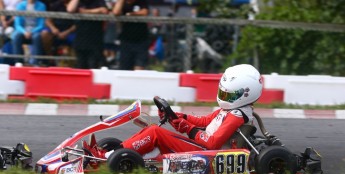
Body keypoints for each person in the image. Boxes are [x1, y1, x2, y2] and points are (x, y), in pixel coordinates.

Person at [83, 64, 263, 158]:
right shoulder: (230, 110)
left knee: (155, 132)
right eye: (223, 92)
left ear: (246, 94)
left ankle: (108, 156)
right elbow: (204, 122)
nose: (224, 97)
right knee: (151, 129)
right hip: (201, 146)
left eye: (229, 94)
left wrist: (186, 128)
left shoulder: (237, 115)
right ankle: (115, 151)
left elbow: (213, 143)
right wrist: (178, 117)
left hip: (208, 153)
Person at [67, 0, 108, 69]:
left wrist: (85, 11)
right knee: (81, 65)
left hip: (95, 40)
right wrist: (96, 11)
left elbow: (104, 10)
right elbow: (70, 9)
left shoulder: (98, 1)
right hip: (80, 39)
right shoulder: (78, 2)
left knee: (93, 65)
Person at [112, 0, 149, 70]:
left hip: (141, 40)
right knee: (125, 68)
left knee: (139, 67)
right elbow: (116, 12)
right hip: (126, 40)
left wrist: (131, 14)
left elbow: (145, 12)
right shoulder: (123, 4)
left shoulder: (141, 2)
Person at [41, 0, 76, 66]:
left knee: (79, 39)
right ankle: (49, 58)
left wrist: (67, 32)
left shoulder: (75, 6)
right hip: (56, 31)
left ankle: (74, 63)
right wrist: (53, 28)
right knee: (44, 34)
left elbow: (78, 24)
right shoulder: (56, 4)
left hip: (70, 32)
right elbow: (48, 20)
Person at [12, 0, 46, 65]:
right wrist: (24, 32)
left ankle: (36, 62)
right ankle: (18, 62)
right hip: (22, 30)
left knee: (37, 37)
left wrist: (32, 32)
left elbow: (41, 25)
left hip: (35, 30)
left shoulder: (42, 6)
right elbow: (17, 24)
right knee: (16, 36)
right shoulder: (20, 5)